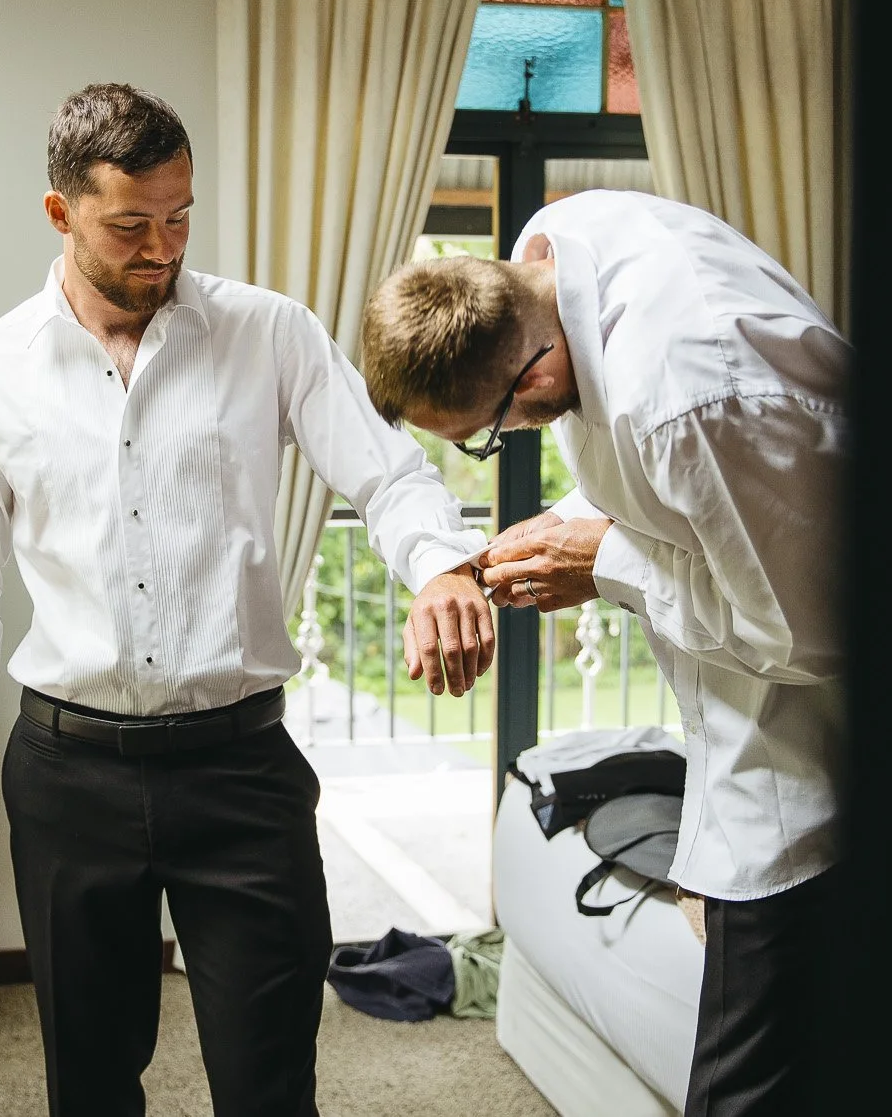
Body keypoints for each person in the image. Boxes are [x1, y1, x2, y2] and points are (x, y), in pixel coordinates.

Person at [0, 84, 494, 1117]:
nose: (161, 247)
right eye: (130, 225)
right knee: (89, 1087)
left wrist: (440, 564)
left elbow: (387, 473)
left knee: (270, 1088)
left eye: (179, 217)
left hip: (240, 772)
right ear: (60, 211)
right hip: (69, 777)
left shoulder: (269, 332)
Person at [359, 188, 846, 1117]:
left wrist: (605, 565)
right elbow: (674, 491)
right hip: (740, 729)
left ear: (535, 375)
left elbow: (807, 632)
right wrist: (569, 524)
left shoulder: (688, 400)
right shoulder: (556, 242)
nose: (499, 445)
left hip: (808, 762)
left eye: (486, 436)